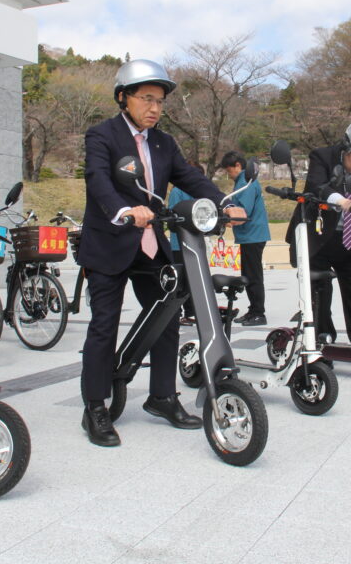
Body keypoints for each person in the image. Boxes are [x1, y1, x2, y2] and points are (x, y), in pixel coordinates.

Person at [78, 59, 246, 447]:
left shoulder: (164, 142)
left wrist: (222, 203)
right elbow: (98, 180)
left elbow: (190, 177)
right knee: (104, 323)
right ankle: (96, 406)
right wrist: (123, 211)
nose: (155, 108)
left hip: (152, 246)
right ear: (123, 97)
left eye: (160, 101)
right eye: (146, 98)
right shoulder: (100, 135)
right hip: (110, 241)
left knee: (167, 319)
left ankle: (162, 397)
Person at [285, 118, 351, 346]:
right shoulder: (322, 157)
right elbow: (317, 188)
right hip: (318, 238)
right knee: (319, 294)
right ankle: (321, 342)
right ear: (346, 148)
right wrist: (344, 201)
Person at [220, 151, 270, 326]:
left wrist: (225, 218)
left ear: (238, 166)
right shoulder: (244, 181)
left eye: (229, 170)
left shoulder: (245, 182)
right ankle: (253, 310)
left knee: (253, 275)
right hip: (249, 235)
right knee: (248, 274)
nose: (229, 174)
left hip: (253, 235)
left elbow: (242, 212)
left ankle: (259, 313)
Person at [167, 162, 204, 327]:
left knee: (181, 280)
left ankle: (184, 312)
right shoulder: (199, 192)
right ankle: (193, 312)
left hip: (179, 243)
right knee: (193, 278)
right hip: (195, 241)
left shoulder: (177, 191)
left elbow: (172, 217)